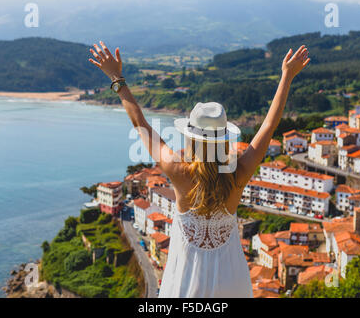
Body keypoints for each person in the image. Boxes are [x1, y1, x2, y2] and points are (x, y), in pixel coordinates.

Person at [89, 42, 310, 297]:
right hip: (231, 280)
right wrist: (287, 76)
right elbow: (269, 125)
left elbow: (139, 122)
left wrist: (117, 78)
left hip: (185, 279)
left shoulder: (178, 170)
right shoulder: (239, 173)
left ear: (191, 138)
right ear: (224, 138)